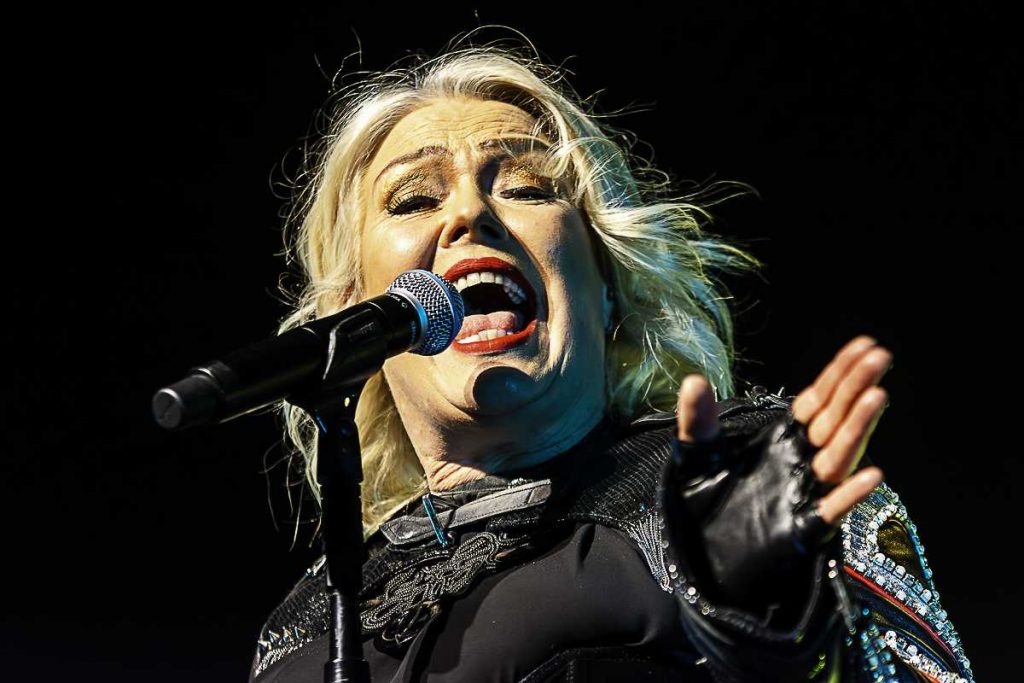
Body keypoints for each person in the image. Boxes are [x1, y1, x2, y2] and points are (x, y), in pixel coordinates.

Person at [249, 34, 974, 683]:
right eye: (413, 200)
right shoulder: (302, 623)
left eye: (527, 187)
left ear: (606, 286)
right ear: (351, 305)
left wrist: (784, 641)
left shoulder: (745, 480)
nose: (469, 214)